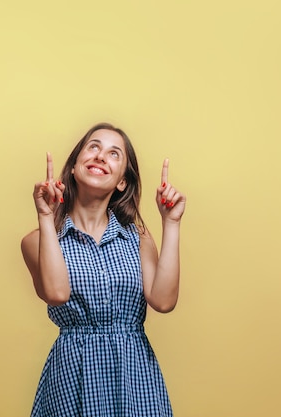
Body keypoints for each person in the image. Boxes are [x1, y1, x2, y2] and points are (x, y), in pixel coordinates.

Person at [21, 122, 186, 416]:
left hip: (134, 376)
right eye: (93, 147)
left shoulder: (138, 238)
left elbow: (163, 301)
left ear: (123, 181)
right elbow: (57, 293)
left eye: (114, 154)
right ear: (74, 166)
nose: (100, 156)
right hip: (73, 376)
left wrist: (171, 224)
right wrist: (46, 217)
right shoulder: (37, 241)